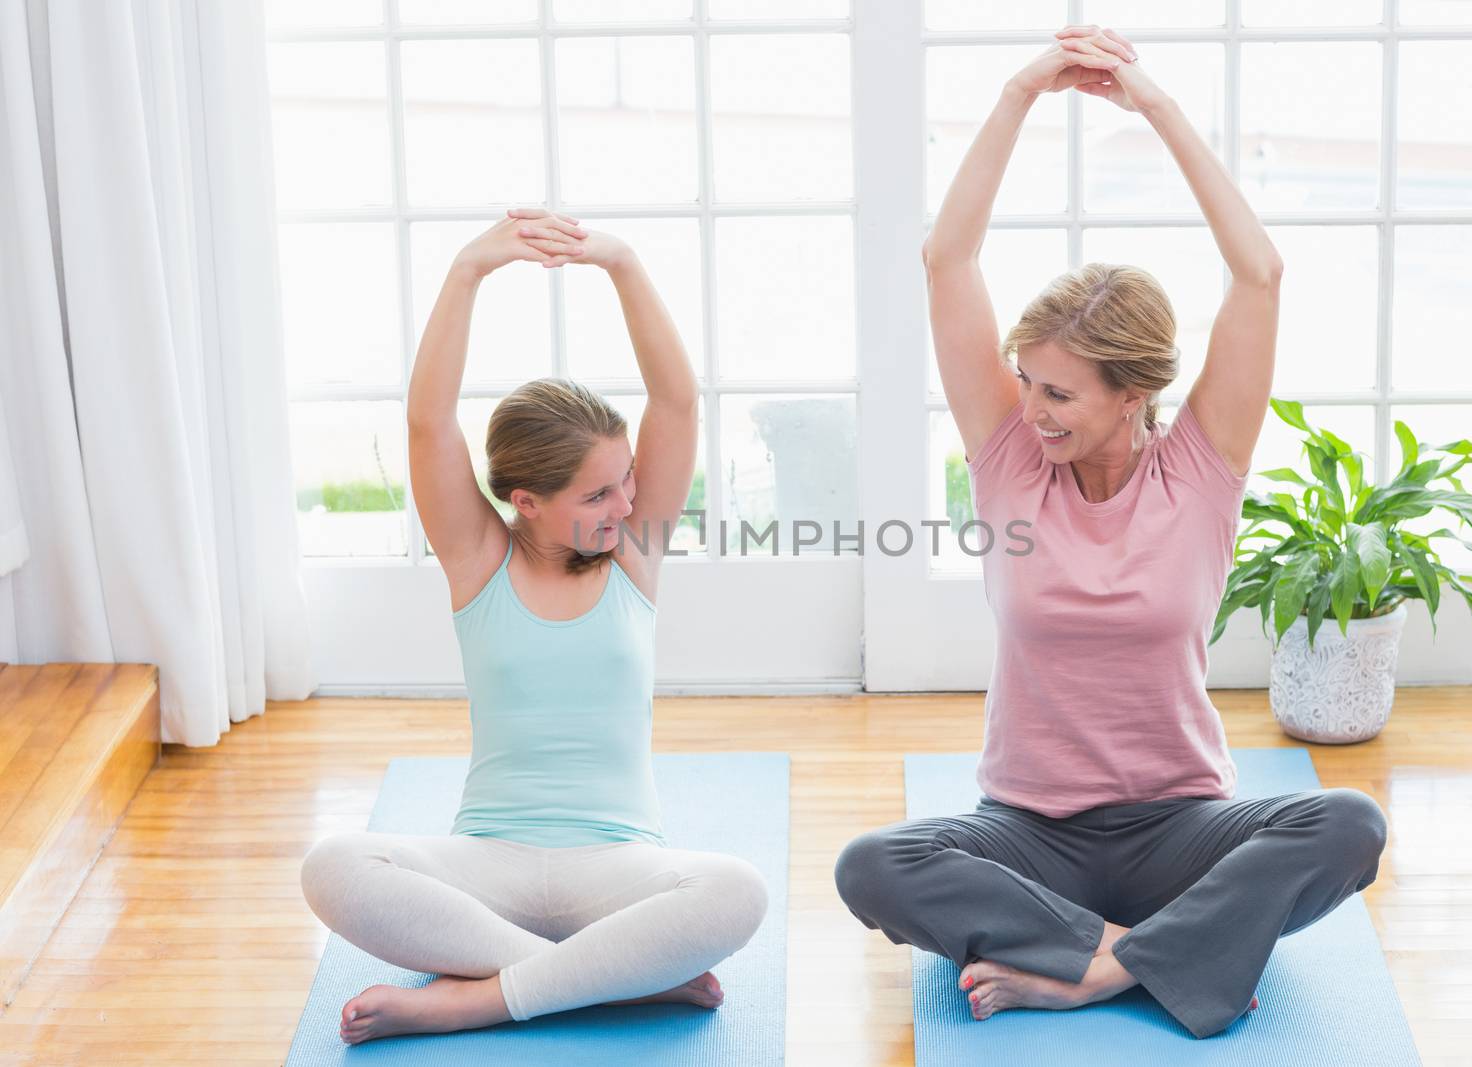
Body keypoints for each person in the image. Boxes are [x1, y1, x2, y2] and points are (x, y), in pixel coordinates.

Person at [833, 25, 1387, 1039]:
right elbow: (945, 256)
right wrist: (1019, 90)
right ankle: (1162, 952)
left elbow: (1257, 272)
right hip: (1024, 829)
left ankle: (1092, 964)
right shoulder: (1008, 460)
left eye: (1060, 394)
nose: (1033, 410)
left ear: (1132, 393)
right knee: (873, 865)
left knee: (1348, 824)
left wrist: (1156, 107)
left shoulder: (1201, 469)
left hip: (1182, 826)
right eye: (1027, 384)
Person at [300, 208, 767, 1045]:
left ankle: (475, 996)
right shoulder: (479, 561)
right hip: (488, 865)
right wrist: (469, 269)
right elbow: (426, 424)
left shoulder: (631, 552)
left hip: (620, 865)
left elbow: (677, 399)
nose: (627, 504)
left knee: (737, 889)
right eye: (598, 494)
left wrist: (620, 262)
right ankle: (611, 981)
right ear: (525, 501)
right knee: (330, 864)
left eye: (627, 482)